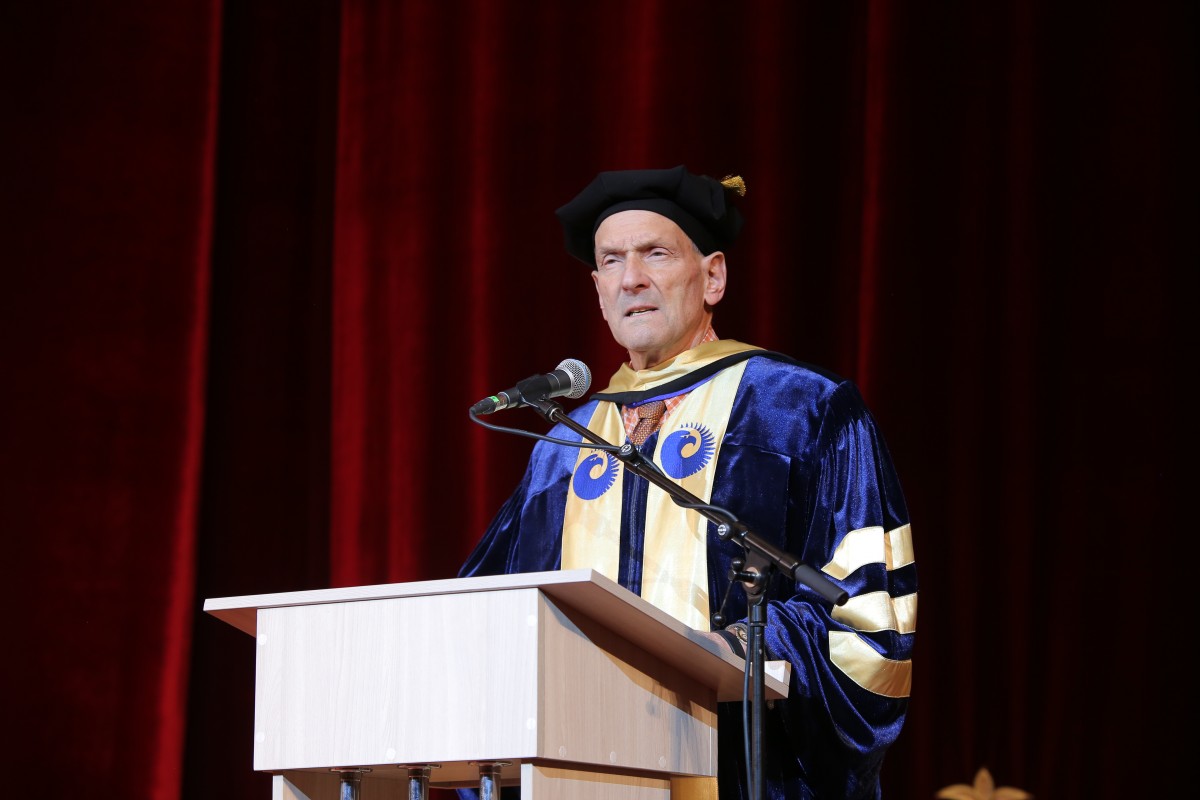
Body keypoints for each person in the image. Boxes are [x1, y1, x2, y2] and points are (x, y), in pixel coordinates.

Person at [459, 165, 916, 799]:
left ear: (713, 276)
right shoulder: (564, 445)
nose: (632, 278)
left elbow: (868, 617)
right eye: (612, 261)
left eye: (656, 253)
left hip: (746, 772)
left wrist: (728, 650)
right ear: (598, 290)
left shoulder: (801, 410)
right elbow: (485, 620)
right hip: (580, 771)